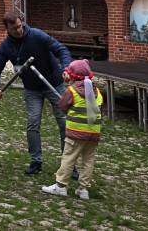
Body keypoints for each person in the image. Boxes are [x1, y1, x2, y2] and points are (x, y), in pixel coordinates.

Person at [0, 11, 72, 175]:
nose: (19, 30)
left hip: (54, 84)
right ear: (7, 29)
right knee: (33, 122)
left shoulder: (37, 35)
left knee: (64, 122)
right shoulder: (6, 46)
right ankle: (36, 161)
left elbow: (61, 50)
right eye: (14, 29)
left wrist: (67, 68)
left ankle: (69, 164)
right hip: (32, 89)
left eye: (20, 26)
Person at [42, 59, 103, 201]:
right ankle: (83, 189)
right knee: (88, 160)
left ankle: (61, 186)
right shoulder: (97, 91)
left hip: (76, 132)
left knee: (69, 158)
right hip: (93, 132)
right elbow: (99, 107)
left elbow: (62, 106)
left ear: (73, 75)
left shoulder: (72, 91)